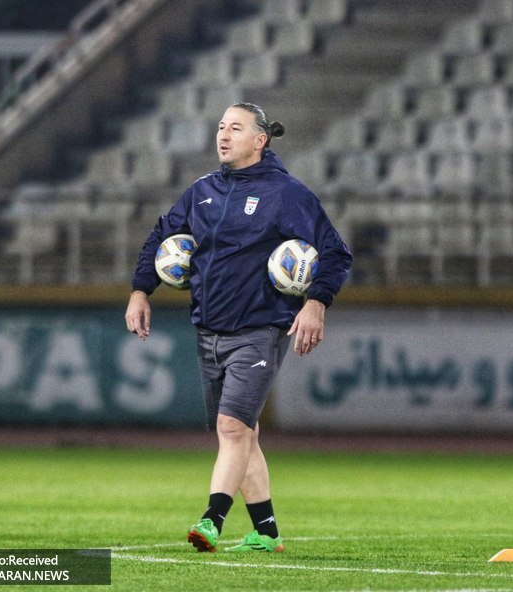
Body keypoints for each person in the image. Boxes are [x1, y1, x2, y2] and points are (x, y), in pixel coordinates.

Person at [124, 102, 352, 553]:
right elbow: (160, 236)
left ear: (260, 140)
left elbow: (335, 252)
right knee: (242, 434)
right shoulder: (202, 191)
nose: (223, 136)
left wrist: (315, 303)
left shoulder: (286, 194)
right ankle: (266, 532)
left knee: (231, 428)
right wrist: (140, 290)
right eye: (220, 127)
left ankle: (211, 520)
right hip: (208, 330)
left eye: (235, 128)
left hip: (260, 329)